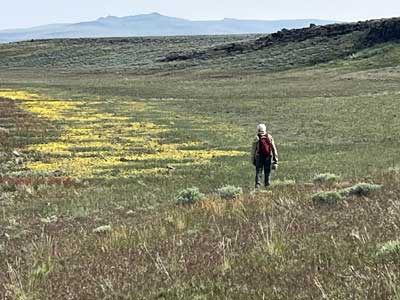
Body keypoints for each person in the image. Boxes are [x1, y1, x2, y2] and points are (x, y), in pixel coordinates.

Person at [251, 124, 278, 188]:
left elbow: (253, 150)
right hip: (268, 157)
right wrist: (275, 160)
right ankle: (267, 185)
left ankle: (257, 185)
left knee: (258, 172)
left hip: (259, 157)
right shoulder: (269, 137)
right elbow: (274, 149)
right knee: (267, 171)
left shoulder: (256, 138)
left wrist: (253, 160)